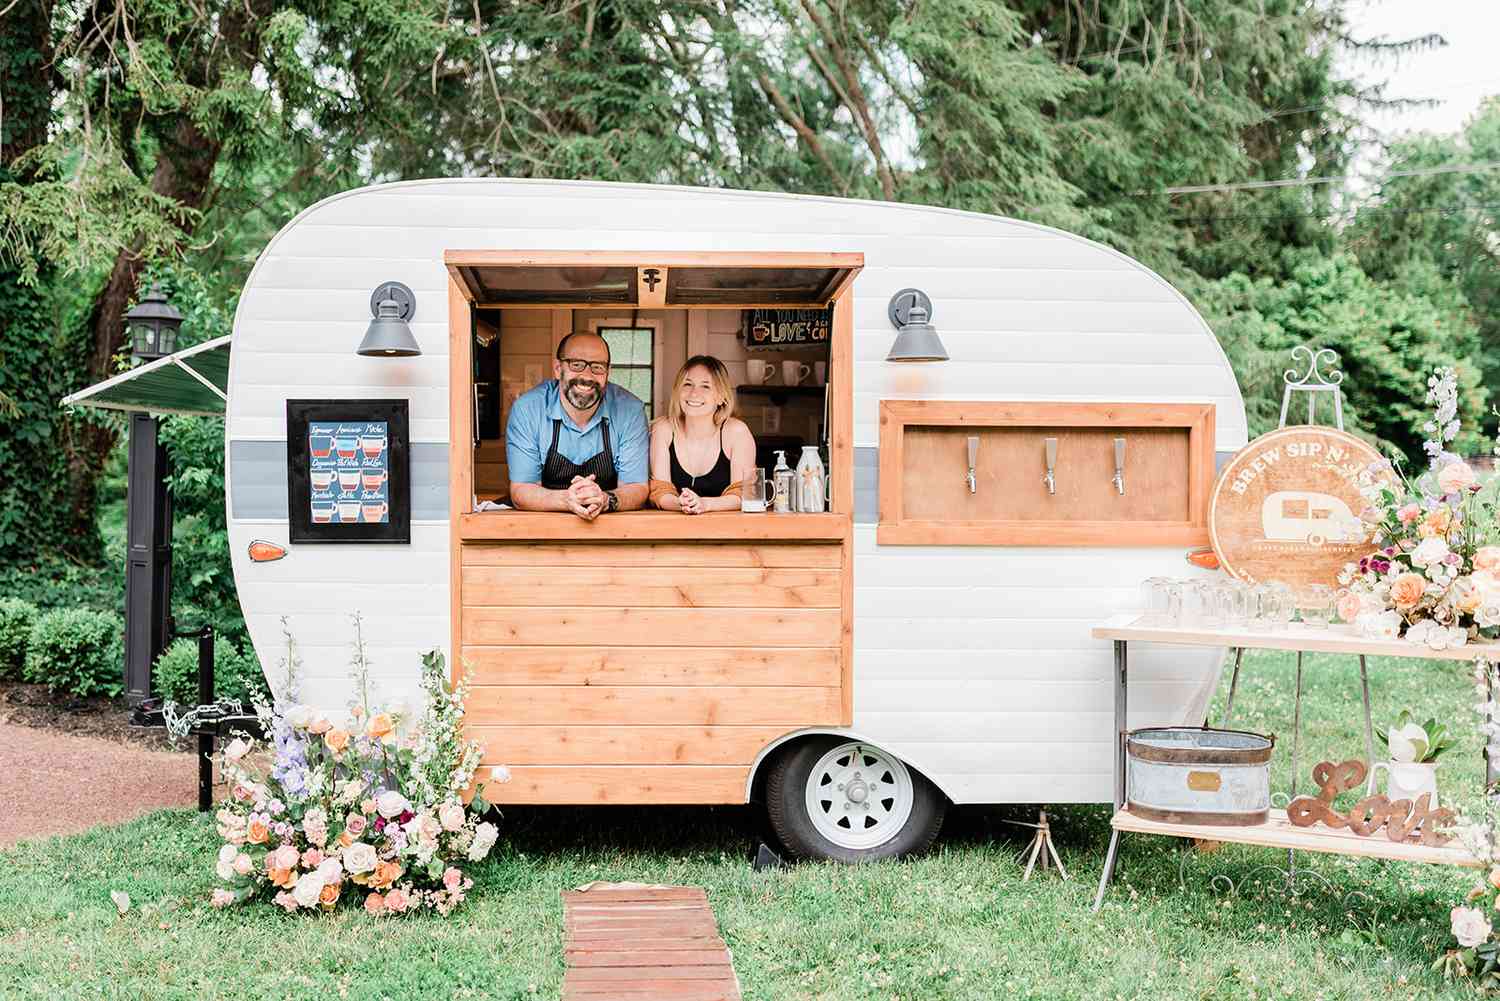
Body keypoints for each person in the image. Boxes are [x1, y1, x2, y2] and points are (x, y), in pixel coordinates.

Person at [505, 331, 649, 520]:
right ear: (558, 368)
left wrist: (605, 500)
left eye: (597, 367)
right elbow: (521, 489)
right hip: (542, 528)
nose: (587, 376)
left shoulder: (630, 410)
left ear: (607, 373)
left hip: (610, 529)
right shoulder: (528, 409)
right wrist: (566, 500)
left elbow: (636, 487)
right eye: (577, 365)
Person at [649, 355, 756, 515]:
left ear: (721, 397)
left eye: (705, 386)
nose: (693, 393)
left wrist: (705, 504)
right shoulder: (664, 429)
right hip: (671, 531)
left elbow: (742, 493)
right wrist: (681, 503)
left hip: (726, 533)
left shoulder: (737, 432)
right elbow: (660, 491)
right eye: (687, 384)